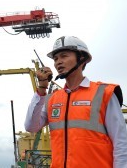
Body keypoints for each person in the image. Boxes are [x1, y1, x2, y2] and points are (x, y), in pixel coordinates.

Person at [25, 36, 127, 167]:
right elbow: (31, 127)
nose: (58, 62)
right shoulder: (52, 99)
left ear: (82, 58)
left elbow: (121, 142)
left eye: (64, 56)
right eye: (56, 59)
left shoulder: (104, 93)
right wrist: (42, 88)